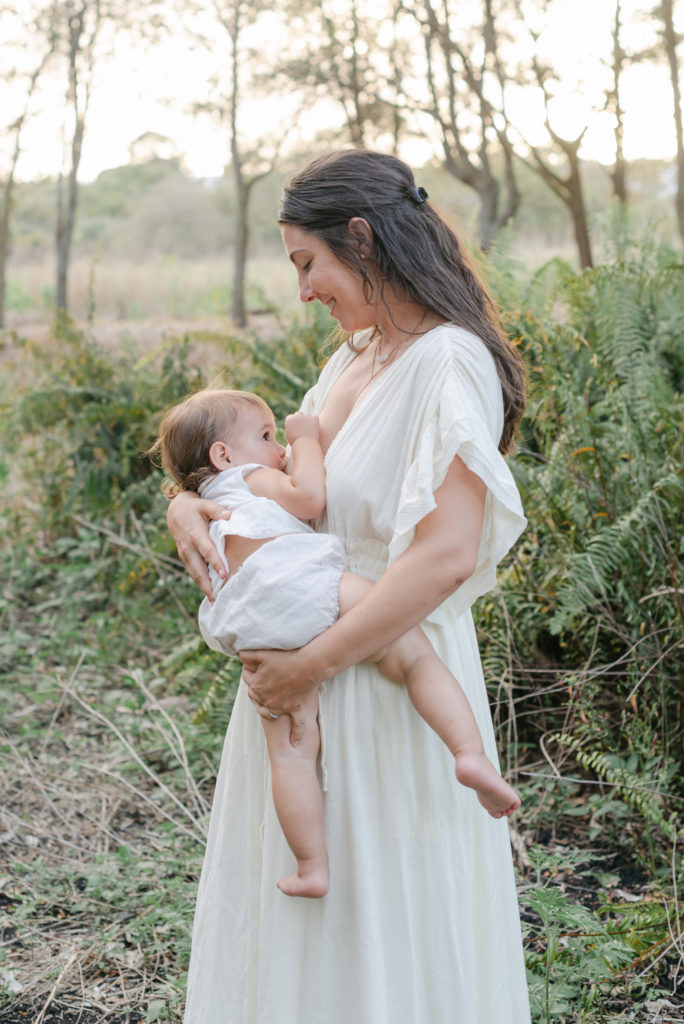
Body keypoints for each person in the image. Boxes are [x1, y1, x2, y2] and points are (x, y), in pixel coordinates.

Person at [169, 150, 531, 1023]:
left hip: (379, 676)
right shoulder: (354, 359)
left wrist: (311, 666)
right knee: (308, 942)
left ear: (361, 240)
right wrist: (183, 505)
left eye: (308, 263)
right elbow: (270, 481)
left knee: (384, 930)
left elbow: (443, 556)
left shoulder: (448, 363)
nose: (303, 290)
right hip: (312, 673)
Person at [154, 386, 520, 897]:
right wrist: (304, 442)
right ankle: (468, 752)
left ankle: (312, 866)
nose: (276, 447)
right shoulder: (253, 476)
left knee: (292, 750)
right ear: (224, 455)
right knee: (411, 652)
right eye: (264, 436)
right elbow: (308, 498)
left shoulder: (210, 501)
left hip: (249, 622)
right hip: (298, 582)